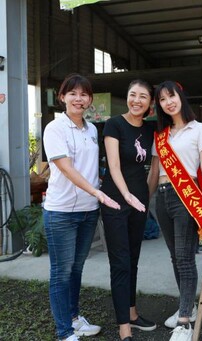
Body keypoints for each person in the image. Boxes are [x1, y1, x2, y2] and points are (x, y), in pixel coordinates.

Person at [42, 73, 120, 341]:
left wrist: (101, 188)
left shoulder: (92, 129)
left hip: (88, 211)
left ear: (90, 100)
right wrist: (96, 191)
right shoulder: (55, 128)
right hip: (61, 212)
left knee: (76, 269)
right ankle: (64, 332)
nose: (79, 98)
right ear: (62, 97)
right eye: (72, 93)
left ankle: (74, 319)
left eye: (84, 94)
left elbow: (90, 168)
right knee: (61, 272)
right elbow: (65, 167)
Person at [147, 80, 202, 341]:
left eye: (172, 96)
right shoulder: (161, 135)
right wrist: (145, 202)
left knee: (184, 257)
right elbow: (155, 172)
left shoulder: (198, 128)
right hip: (163, 197)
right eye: (163, 100)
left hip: (185, 197)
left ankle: (183, 323)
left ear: (181, 96)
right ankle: (186, 307)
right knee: (174, 257)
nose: (169, 102)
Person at [100, 79, 156, 341]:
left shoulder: (151, 129)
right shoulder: (114, 124)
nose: (137, 100)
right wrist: (127, 196)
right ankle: (124, 328)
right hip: (115, 199)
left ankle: (132, 313)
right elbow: (113, 165)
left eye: (143, 97)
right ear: (127, 97)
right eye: (133, 94)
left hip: (139, 200)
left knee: (133, 258)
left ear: (150, 103)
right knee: (120, 262)